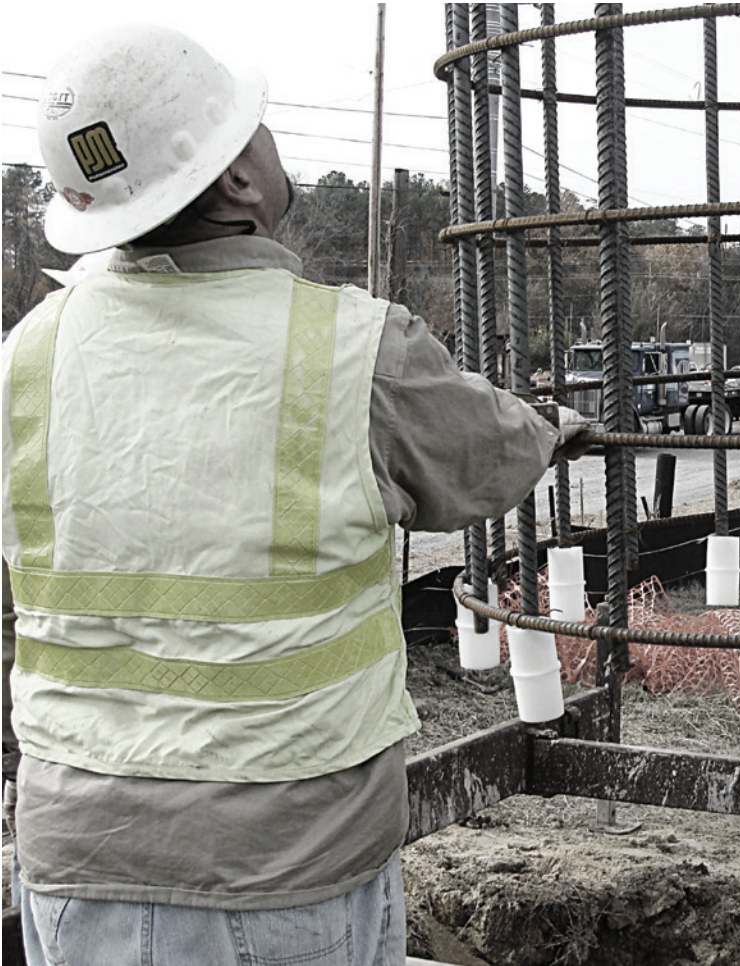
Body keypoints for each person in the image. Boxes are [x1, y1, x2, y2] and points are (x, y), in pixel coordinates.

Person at [2, 25, 585, 965]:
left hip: (74, 861)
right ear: (236, 180)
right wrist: (555, 424)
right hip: (285, 863)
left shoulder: (23, 361)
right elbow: (491, 458)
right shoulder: (352, 351)